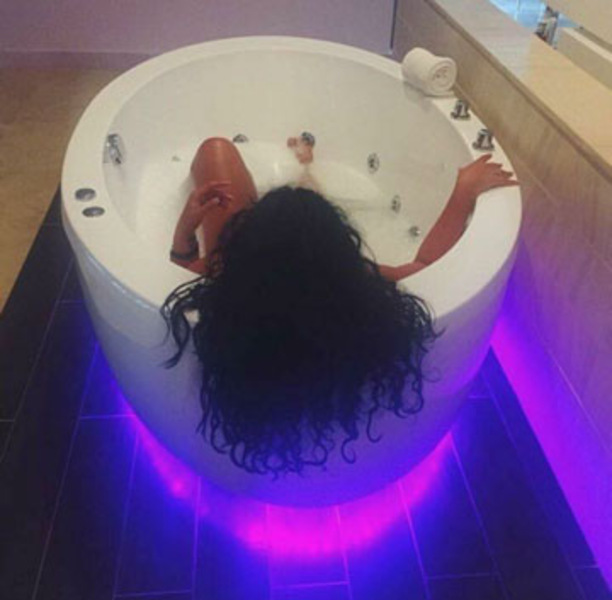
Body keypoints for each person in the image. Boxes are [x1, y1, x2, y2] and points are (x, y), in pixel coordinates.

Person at [163, 134, 518, 476]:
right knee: (300, 216)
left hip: (256, 263)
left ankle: (302, 169)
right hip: (296, 257)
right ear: (340, 254)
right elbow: (424, 264)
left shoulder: (232, 275)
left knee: (216, 150)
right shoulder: (352, 284)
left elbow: (184, 268)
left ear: (248, 246)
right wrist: (463, 192)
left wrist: (184, 232)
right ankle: (304, 168)